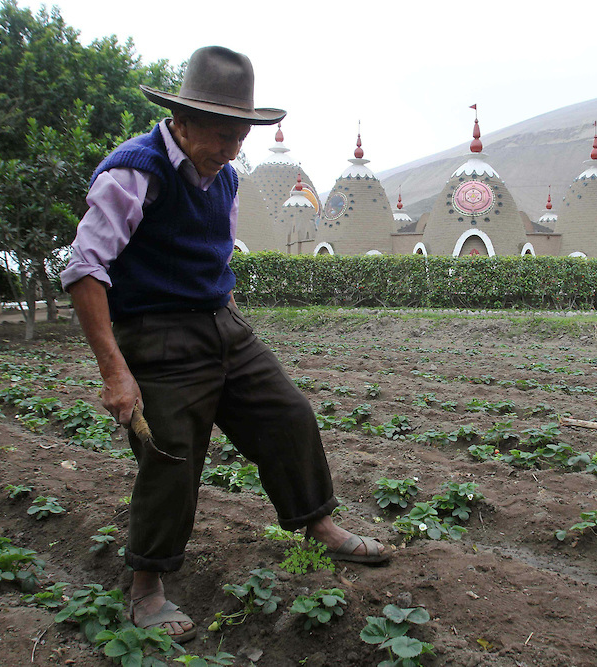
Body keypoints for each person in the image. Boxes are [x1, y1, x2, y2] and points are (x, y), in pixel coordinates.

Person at [61, 46, 389, 644]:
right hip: (157, 332)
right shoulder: (134, 171)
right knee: (172, 455)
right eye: (220, 135)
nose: (231, 149)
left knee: (287, 413)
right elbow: (85, 268)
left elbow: (213, 260)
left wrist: (237, 337)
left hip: (221, 322)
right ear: (181, 122)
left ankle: (318, 524)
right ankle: (147, 585)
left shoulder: (226, 177)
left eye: (240, 136)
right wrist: (115, 372)